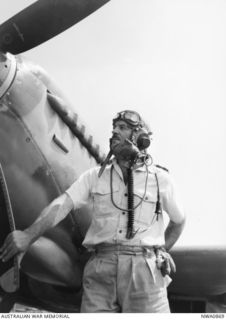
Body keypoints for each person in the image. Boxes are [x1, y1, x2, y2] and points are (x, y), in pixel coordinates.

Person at [0, 110, 185, 313]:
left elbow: (178, 221)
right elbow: (62, 205)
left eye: (122, 128)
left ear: (140, 138)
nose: (114, 132)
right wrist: (28, 235)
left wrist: (162, 250)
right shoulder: (94, 176)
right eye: (114, 127)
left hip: (145, 271)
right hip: (100, 270)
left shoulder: (161, 179)